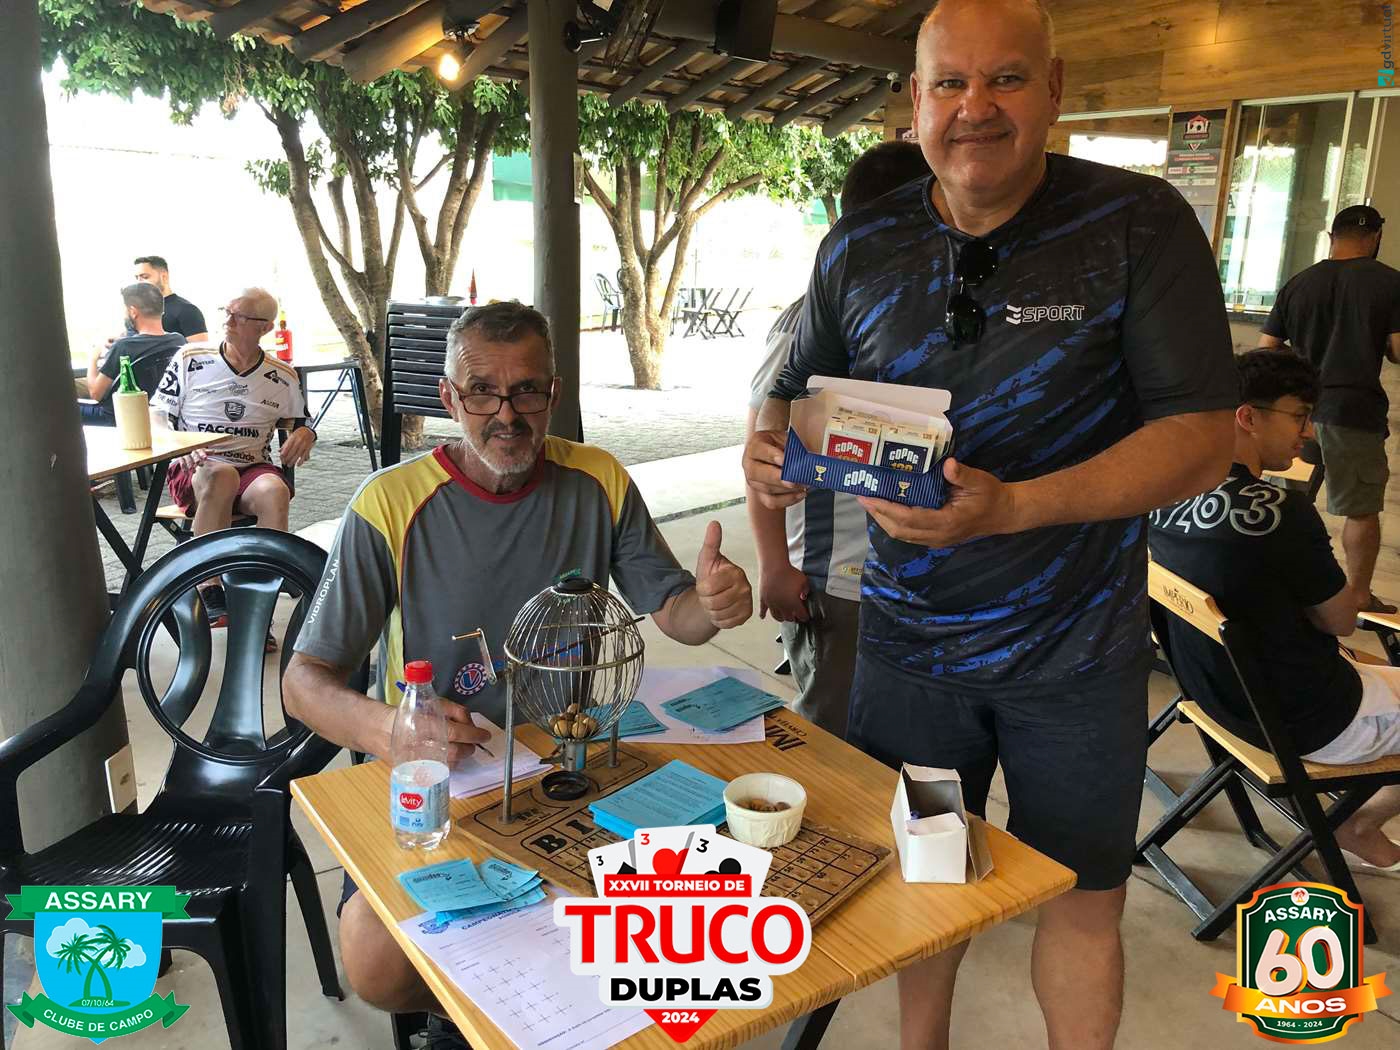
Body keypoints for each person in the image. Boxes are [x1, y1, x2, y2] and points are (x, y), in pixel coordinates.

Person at [742, 2, 1237, 1048]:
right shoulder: (861, 244)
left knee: (1081, 896)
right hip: (909, 656)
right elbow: (798, 396)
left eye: (1005, 79)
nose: (976, 107)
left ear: (1052, 90)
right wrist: (776, 456)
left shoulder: (1136, 223)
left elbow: (1199, 440)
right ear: (915, 101)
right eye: (950, 83)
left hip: (1077, 656)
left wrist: (1015, 506)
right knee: (926, 878)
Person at [282, 301, 753, 1050]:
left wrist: (715, 603)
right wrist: (395, 731)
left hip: (575, 763)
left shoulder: (597, 480)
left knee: (716, 889)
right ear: (449, 399)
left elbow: (677, 613)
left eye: (527, 390)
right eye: (483, 392)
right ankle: (470, 1017)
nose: (507, 414)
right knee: (375, 959)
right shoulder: (388, 505)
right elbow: (303, 681)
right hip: (446, 782)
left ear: (553, 394)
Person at [1149, 350, 1400, 873]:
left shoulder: (1164, 494)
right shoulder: (1281, 511)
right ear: (1248, 416)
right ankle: (1357, 825)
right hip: (1309, 722)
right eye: (1299, 416)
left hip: (1221, 704)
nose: (1308, 432)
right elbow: (1340, 622)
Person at [747, 140, 930, 739]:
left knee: (904, 737)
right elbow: (761, 452)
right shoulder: (808, 324)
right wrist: (774, 565)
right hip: (836, 582)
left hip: (917, 578)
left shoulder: (931, 316)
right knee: (836, 739)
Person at [1258, 205, 1400, 614]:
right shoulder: (1390, 282)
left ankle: (1281, 585)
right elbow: (1398, 349)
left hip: (1297, 413)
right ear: (1375, 237)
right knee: (1359, 509)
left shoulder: (1299, 282)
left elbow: (1266, 349)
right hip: (1352, 413)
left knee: (1285, 506)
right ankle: (1358, 595)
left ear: (1330, 237)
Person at [150, 287, 315, 625]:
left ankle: (259, 601)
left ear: (265, 328)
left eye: (239, 316)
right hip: (197, 467)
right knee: (222, 475)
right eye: (226, 311)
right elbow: (156, 415)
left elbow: (302, 421)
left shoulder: (281, 376)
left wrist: (306, 433)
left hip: (251, 466)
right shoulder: (191, 358)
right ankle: (209, 588)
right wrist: (181, 443)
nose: (228, 320)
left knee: (275, 490)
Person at [78, 282, 184, 424]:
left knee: (63, 406)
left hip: (117, 418)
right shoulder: (178, 340)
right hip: (157, 415)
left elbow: (96, 393)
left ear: (133, 312)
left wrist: (92, 357)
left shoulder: (123, 347)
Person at [133, 255, 209, 342]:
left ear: (164, 277)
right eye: (137, 278)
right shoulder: (138, 311)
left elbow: (200, 349)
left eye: (145, 277)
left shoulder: (187, 310)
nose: (139, 283)